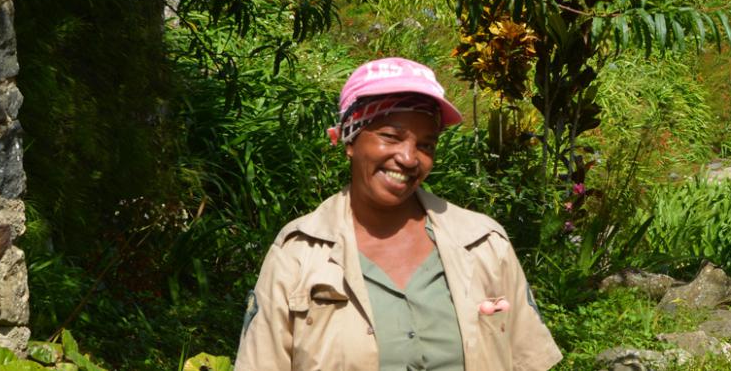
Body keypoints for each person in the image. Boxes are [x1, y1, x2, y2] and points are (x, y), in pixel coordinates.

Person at [234, 57, 563, 371]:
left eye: (426, 145)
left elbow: (526, 358)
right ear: (351, 140)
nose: (408, 158)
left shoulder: (483, 245)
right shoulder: (299, 254)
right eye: (390, 136)